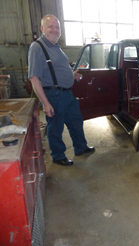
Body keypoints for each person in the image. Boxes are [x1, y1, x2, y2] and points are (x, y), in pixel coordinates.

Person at [28, 14, 95, 166]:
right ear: (42, 28)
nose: (55, 30)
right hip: (54, 94)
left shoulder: (56, 47)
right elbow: (34, 78)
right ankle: (58, 156)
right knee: (56, 127)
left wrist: (72, 76)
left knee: (76, 121)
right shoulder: (37, 47)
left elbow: (57, 70)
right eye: (50, 26)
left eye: (57, 27)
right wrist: (45, 103)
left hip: (67, 93)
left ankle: (80, 147)